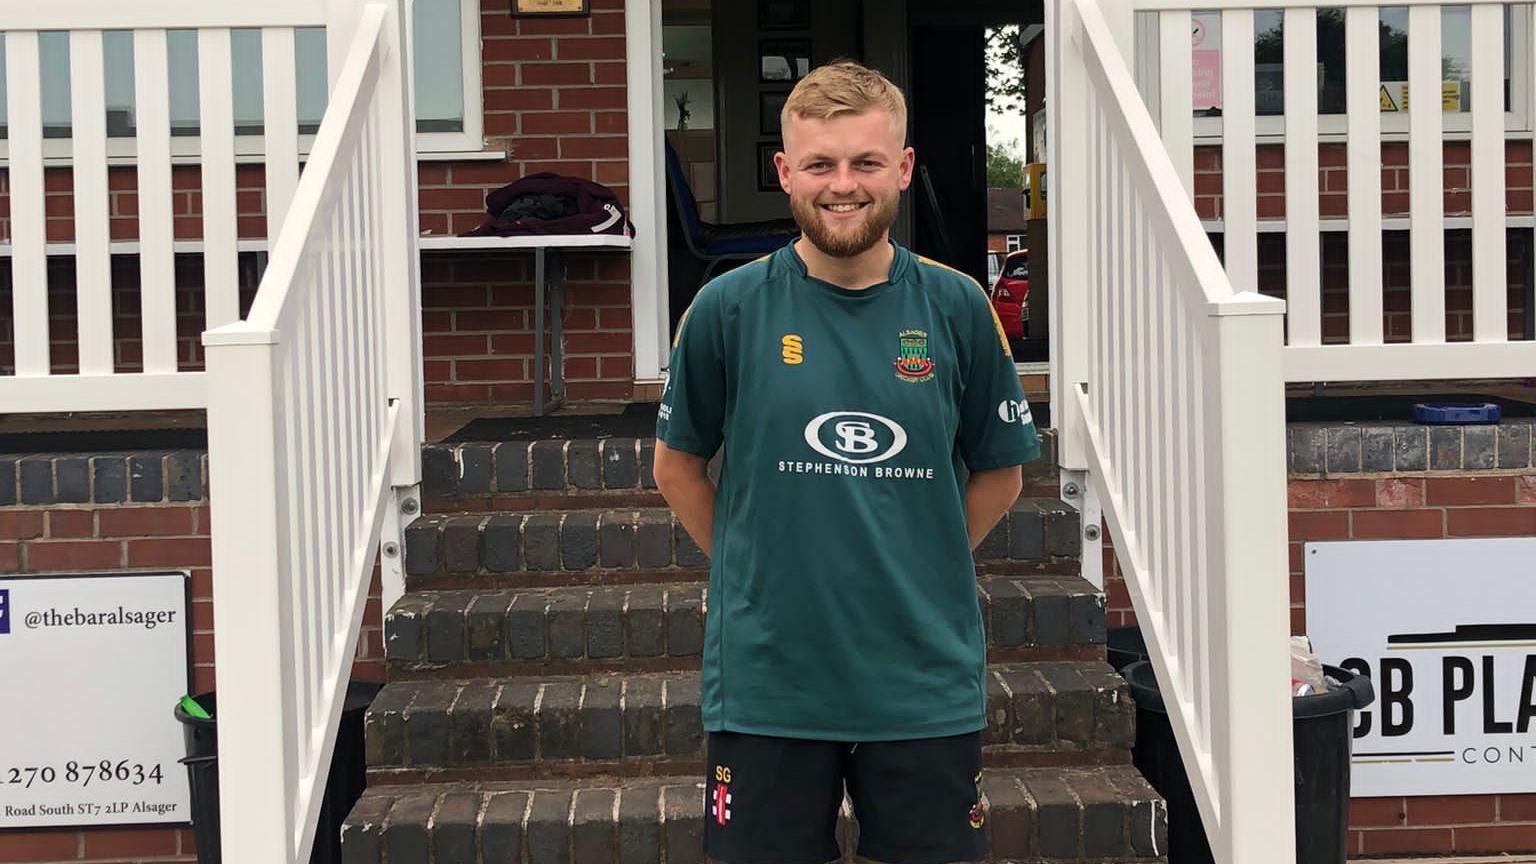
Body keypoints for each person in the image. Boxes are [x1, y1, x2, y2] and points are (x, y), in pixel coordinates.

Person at [652, 60, 1040, 864]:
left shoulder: (959, 306)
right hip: (768, 682)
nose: (843, 185)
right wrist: (752, 569)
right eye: (821, 164)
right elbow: (677, 468)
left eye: (866, 162)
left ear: (901, 168)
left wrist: (919, 555)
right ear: (785, 172)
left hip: (921, 682)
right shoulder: (727, 308)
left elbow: (1002, 472)